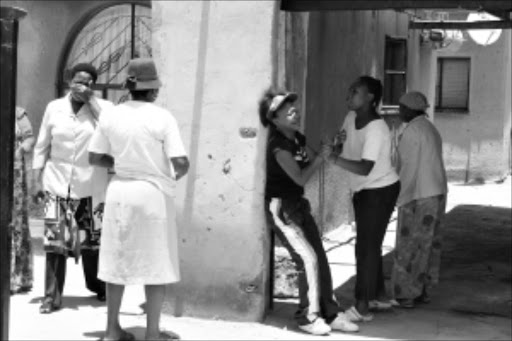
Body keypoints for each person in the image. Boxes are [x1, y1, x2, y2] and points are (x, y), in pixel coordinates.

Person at [88, 58, 189, 341]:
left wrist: (121, 162)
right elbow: (180, 162)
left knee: (115, 261)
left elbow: (94, 157)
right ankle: (152, 333)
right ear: (154, 90)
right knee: (156, 264)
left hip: (119, 190)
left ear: (129, 87)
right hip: (152, 195)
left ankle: (111, 331)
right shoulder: (162, 117)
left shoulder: (110, 115)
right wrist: (166, 174)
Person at [259, 89, 359, 336]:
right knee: (307, 259)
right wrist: (321, 157)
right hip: (281, 208)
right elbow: (302, 177)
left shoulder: (297, 139)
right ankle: (307, 317)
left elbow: (316, 159)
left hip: (298, 205)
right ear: (275, 119)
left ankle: (330, 313)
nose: (295, 113)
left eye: (295, 109)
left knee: (320, 258)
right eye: (288, 111)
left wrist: (330, 147)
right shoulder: (279, 147)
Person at [32, 63, 113, 313]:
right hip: (56, 185)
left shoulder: (104, 108)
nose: (82, 86)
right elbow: (41, 145)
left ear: (93, 86)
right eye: (78, 81)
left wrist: (92, 102)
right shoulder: (54, 108)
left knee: (92, 244)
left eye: (88, 83)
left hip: (91, 186)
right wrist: (36, 179)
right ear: (69, 82)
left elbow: (112, 131)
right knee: (55, 244)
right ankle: (51, 298)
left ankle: (98, 286)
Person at [327, 76, 400, 322]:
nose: (349, 95)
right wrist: (335, 148)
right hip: (364, 190)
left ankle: (362, 307)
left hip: (379, 190)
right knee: (370, 245)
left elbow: (365, 167)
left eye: (355, 91)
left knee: (365, 248)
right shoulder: (350, 118)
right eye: (350, 90)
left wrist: (332, 159)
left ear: (370, 98)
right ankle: (378, 296)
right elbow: (344, 147)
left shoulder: (376, 128)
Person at [390, 91, 448, 308]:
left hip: (419, 195)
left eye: (400, 107)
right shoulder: (429, 128)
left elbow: (408, 168)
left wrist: (399, 197)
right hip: (436, 191)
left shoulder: (413, 131)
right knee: (428, 244)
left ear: (408, 109)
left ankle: (406, 294)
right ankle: (423, 290)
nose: (398, 111)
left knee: (409, 244)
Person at [11, 106, 35, 294]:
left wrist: (20, 150)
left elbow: (29, 138)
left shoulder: (17, 112)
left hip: (13, 175)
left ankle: (16, 277)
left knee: (14, 221)